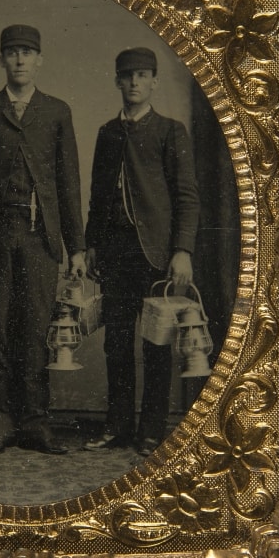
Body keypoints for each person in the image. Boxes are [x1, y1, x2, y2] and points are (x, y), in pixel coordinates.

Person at [0, 25, 86, 455]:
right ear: (1, 60)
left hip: (39, 238)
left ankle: (35, 423)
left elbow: (68, 185)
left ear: (39, 60)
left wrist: (76, 247)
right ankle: (0, 422)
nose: (20, 60)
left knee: (36, 329)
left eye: (27, 52)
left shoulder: (56, 111)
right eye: (12, 52)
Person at [84, 47, 200, 457]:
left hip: (155, 253)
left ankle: (150, 431)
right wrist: (92, 244)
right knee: (115, 343)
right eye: (128, 76)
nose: (134, 82)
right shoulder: (107, 133)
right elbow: (97, 197)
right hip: (114, 252)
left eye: (143, 75)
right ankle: (116, 426)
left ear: (154, 82)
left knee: (156, 343)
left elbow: (186, 197)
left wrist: (182, 250)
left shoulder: (170, 131)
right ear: (118, 81)